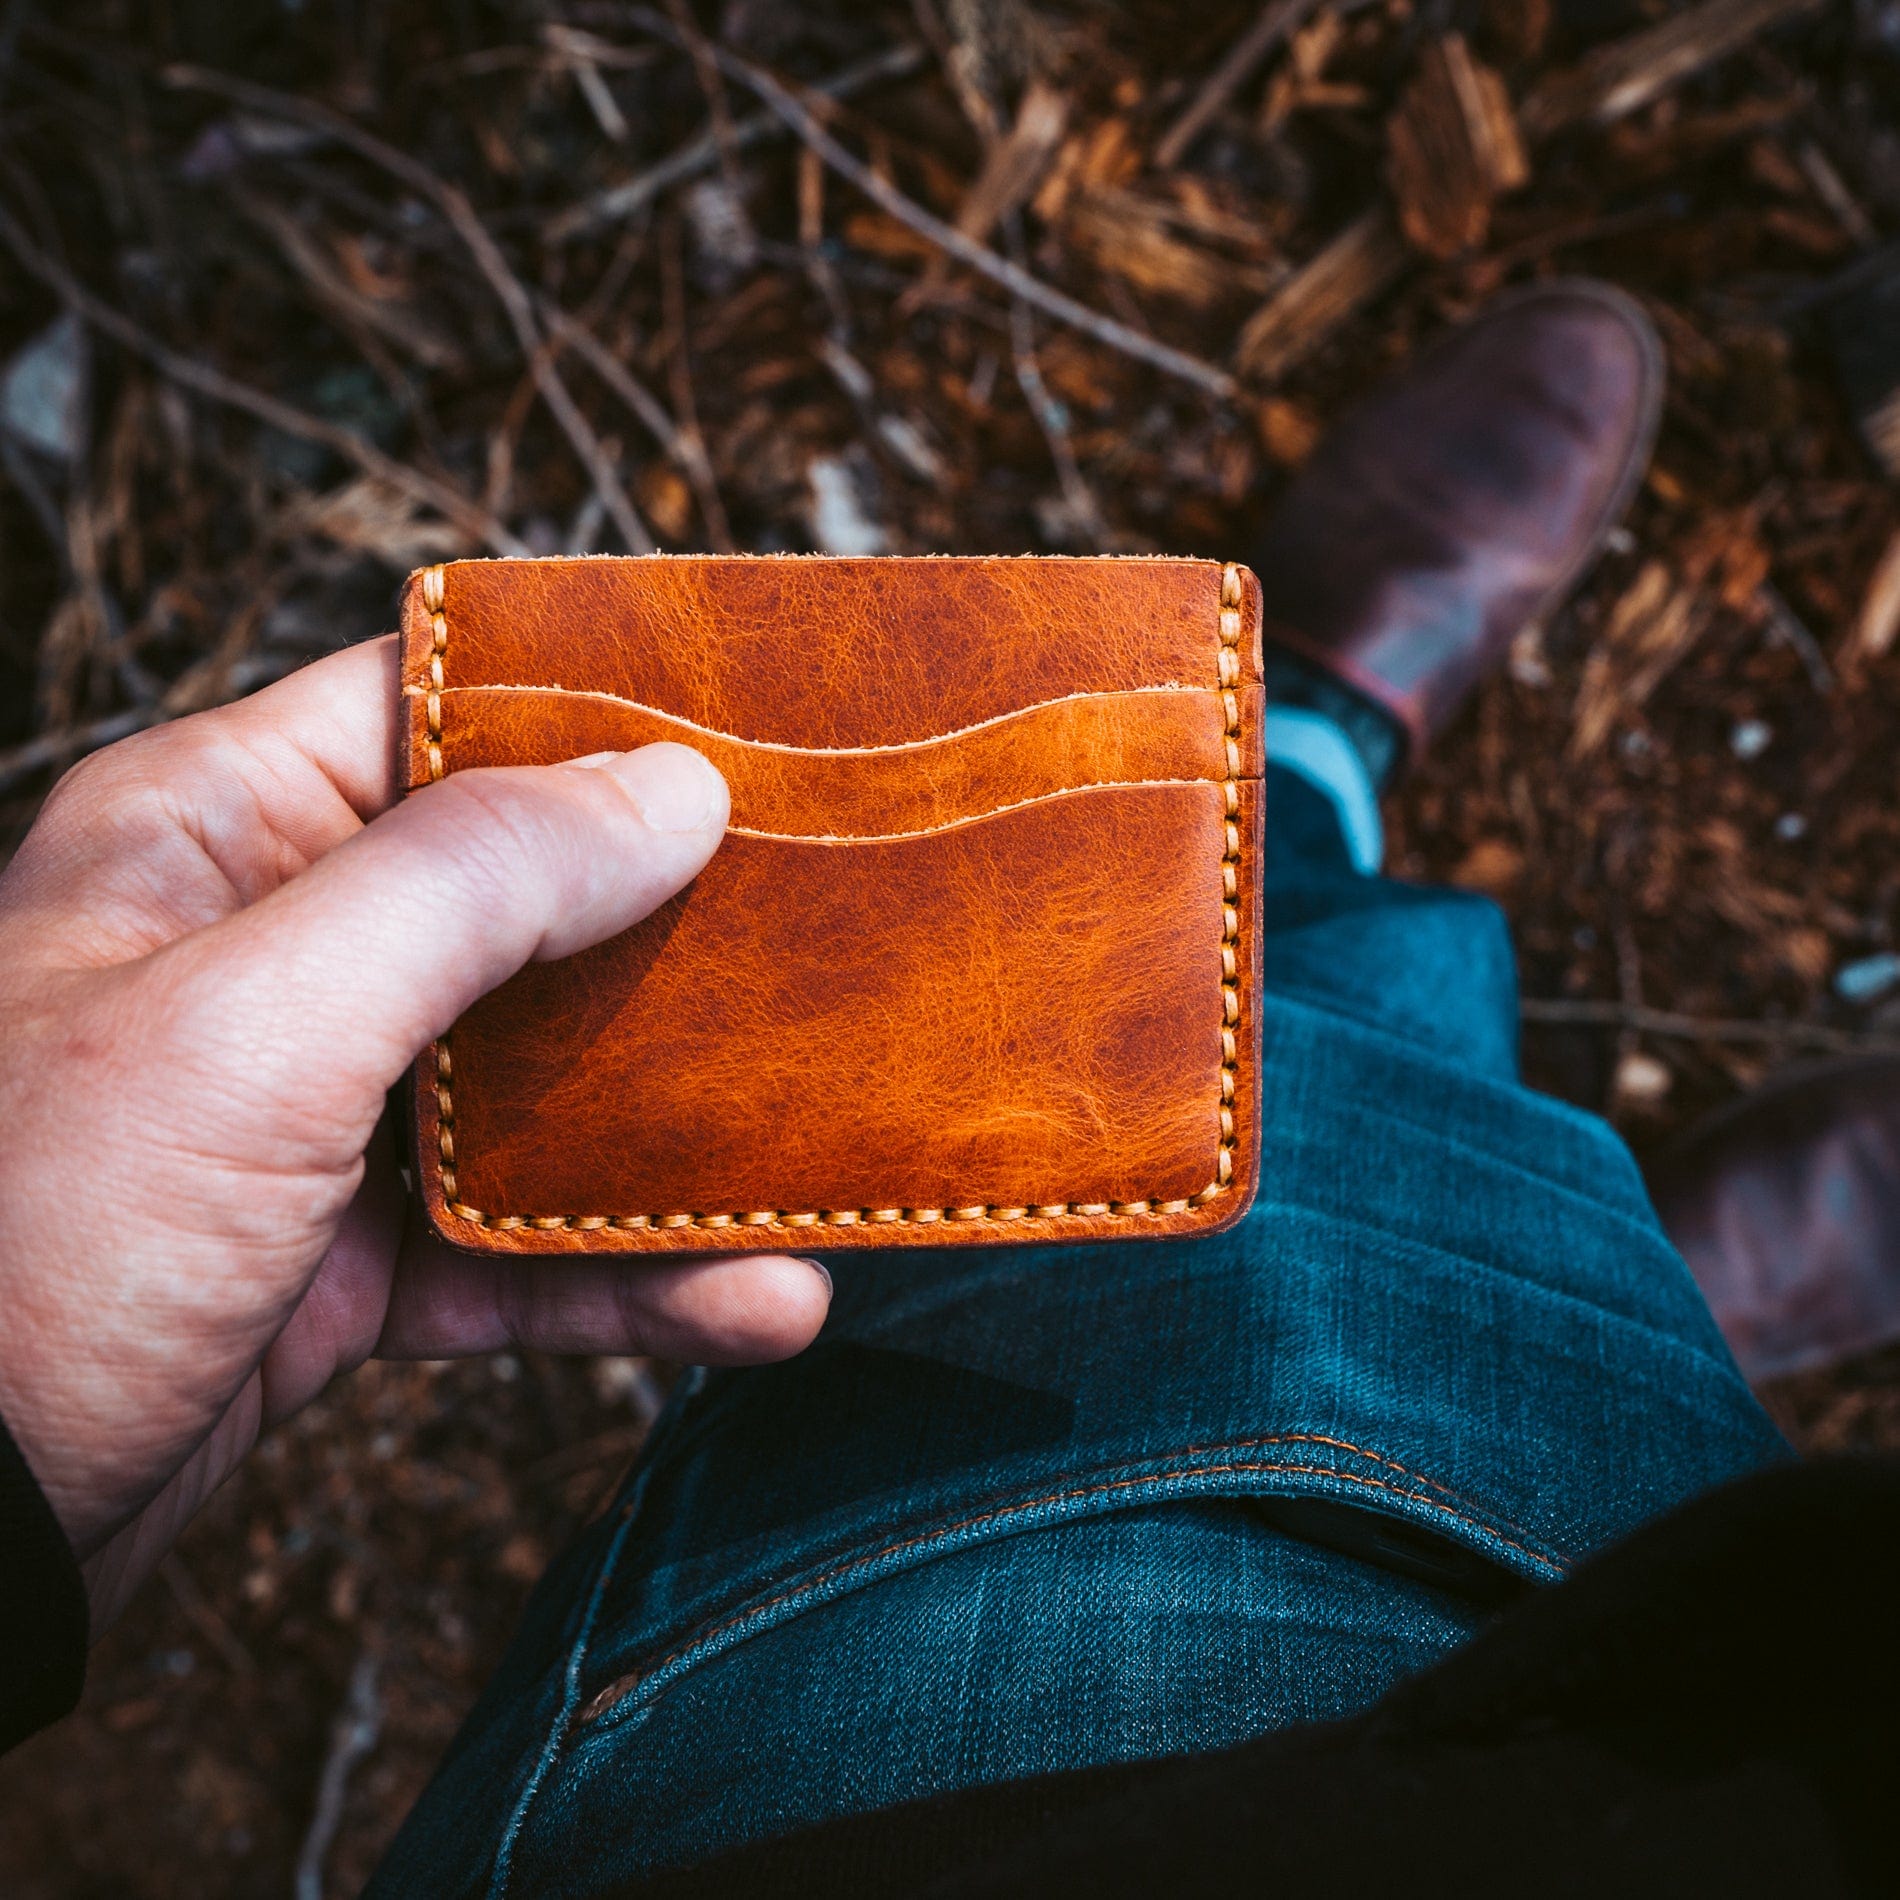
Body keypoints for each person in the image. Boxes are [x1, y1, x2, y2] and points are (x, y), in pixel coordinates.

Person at [0, 283, 1893, 1895]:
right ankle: (1606, 1295)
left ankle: (1352, 879)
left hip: (852, 1792)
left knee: (1287, 1138)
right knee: (1383, 1182)